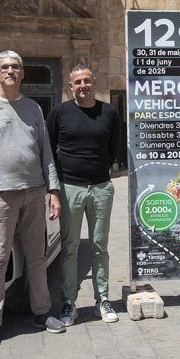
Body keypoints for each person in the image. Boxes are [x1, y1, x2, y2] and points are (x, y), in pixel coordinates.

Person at [0, 50, 65, 351]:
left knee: (37, 257)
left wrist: (53, 192)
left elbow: (45, 153)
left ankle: (42, 312)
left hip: (33, 192)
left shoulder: (33, 108)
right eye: (4, 67)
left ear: (22, 73)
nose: (10, 71)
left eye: (15, 67)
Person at [47, 63, 121, 325]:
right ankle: (68, 303)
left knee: (100, 246)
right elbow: (49, 151)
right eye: (77, 82)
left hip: (101, 188)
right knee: (70, 247)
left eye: (86, 81)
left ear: (94, 82)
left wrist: (99, 172)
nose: (82, 86)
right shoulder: (60, 113)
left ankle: (103, 299)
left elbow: (114, 148)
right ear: (70, 86)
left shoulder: (109, 112)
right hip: (70, 189)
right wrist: (53, 189)